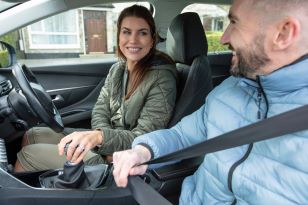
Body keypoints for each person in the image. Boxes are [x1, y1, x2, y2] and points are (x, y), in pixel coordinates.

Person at [112, 0, 308, 204]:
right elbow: (181, 135)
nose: (224, 37)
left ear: (283, 33)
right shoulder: (228, 91)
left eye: (234, 22)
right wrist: (142, 151)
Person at [14, 5, 177, 172]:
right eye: (127, 32)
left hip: (122, 156)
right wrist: (101, 140)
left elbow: (145, 137)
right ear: (119, 36)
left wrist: (101, 138)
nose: (133, 40)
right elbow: (100, 109)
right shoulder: (118, 69)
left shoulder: (162, 78)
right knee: (32, 134)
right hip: (104, 144)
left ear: (152, 39)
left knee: (28, 156)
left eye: (142, 33)